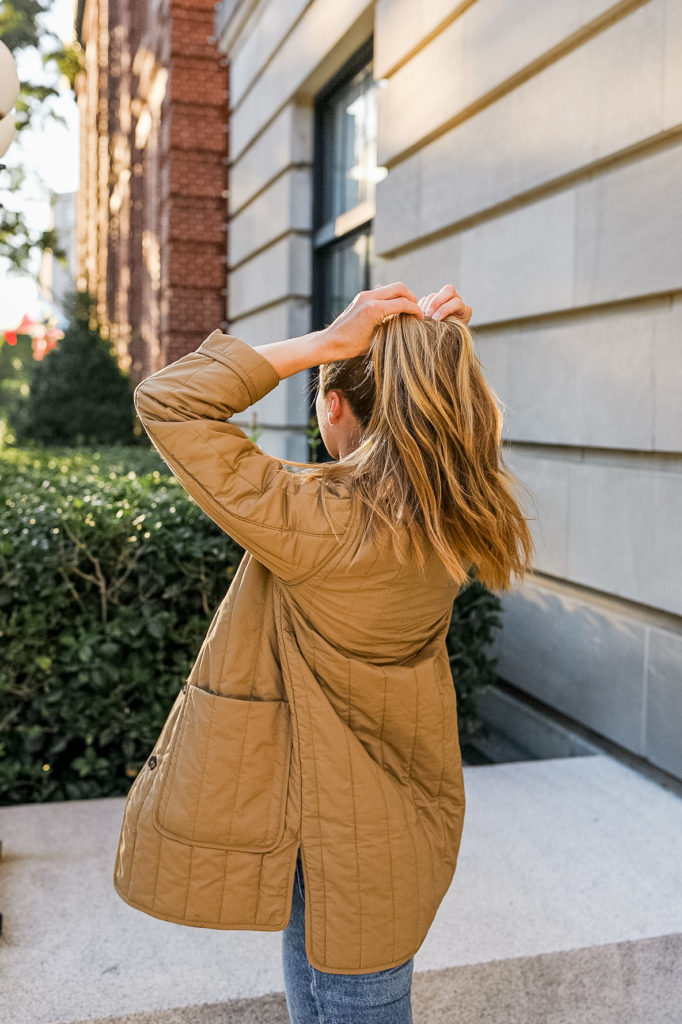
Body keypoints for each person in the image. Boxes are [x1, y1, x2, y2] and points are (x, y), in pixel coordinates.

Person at [113, 282, 534, 1024]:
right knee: (332, 979)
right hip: (384, 827)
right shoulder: (457, 517)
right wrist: (439, 356)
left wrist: (327, 342)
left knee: (343, 998)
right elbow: (456, 444)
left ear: (334, 405)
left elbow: (168, 400)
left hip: (342, 835)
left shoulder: (323, 525)